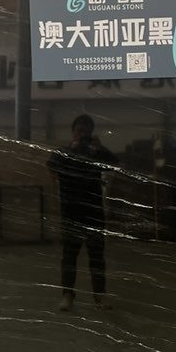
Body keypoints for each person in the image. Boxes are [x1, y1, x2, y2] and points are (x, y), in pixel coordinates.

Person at [47, 114, 119, 311]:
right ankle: (67, 296)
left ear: (91, 134)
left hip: (94, 213)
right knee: (69, 257)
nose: (82, 134)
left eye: (86, 132)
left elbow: (115, 163)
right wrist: (73, 150)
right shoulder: (63, 152)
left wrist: (100, 147)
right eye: (79, 131)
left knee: (97, 258)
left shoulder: (95, 154)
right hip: (71, 214)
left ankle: (99, 296)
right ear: (73, 132)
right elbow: (51, 166)